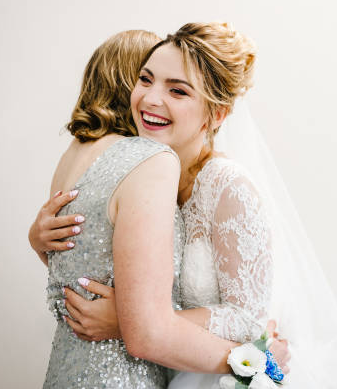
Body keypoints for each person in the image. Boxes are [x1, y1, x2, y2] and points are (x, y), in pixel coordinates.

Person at [34, 29, 289, 389]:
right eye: (145, 79)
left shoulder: (226, 184)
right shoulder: (143, 172)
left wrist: (128, 320)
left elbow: (249, 319)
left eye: (178, 90)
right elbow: (110, 264)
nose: (151, 99)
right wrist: (41, 240)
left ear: (216, 116)